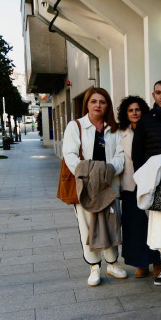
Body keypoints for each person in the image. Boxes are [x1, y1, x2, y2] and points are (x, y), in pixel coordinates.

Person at [62, 87, 125, 286]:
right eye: (93, 101)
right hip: (86, 186)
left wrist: (106, 171)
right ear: (87, 104)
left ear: (108, 105)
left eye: (102, 101)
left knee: (111, 223)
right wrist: (89, 174)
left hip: (108, 184)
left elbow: (121, 156)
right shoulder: (76, 126)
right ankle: (94, 267)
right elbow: (70, 155)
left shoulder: (115, 128)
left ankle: (113, 264)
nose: (98, 105)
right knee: (87, 227)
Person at [132, 80, 161, 285]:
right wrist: (144, 180)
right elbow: (137, 153)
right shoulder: (145, 120)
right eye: (158, 92)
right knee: (158, 226)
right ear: (153, 95)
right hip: (153, 182)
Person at [116, 96, 160, 277]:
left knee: (152, 224)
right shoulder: (119, 133)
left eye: (137, 109)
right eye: (130, 110)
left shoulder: (151, 127)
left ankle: (157, 262)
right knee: (133, 227)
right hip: (129, 185)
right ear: (126, 113)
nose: (134, 113)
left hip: (149, 183)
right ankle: (140, 264)